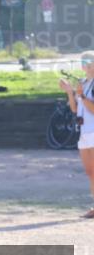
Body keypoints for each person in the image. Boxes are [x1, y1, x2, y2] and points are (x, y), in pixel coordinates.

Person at [58, 52, 94, 219]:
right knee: (90, 172)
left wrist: (82, 95)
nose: (86, 64)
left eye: (89, 61)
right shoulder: (83, 83)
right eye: (84, 61)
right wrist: (69, 92)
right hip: (84, 132)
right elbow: (74, 109)